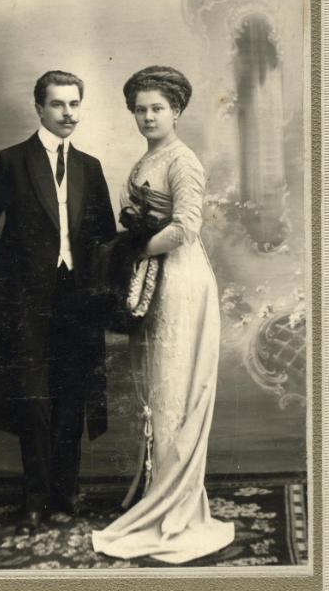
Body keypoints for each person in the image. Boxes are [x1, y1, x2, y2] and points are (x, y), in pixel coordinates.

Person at [0, 71, 116, 534]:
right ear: (39, 108)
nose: (68, 113)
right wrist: (11, 275)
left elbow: (105, 237)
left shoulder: (89, 167)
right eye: (58, 104)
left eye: (74, 104)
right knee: (32, 398)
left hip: (76, 300)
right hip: (26, 301)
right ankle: (35, 498)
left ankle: (66, 495)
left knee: (71, 394)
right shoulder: (10, 161)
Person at [92, 66, 235, 564]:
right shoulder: (147, 158)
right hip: (153, 278)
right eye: (140, 109)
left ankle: (174, 508)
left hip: (180, 282)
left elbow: (186, 228)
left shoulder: (183, 160)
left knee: (173, 390)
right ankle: (159, 494)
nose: (148, 116)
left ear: (176, 110)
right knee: (156, 391)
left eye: (157, 108)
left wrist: (129, 252)